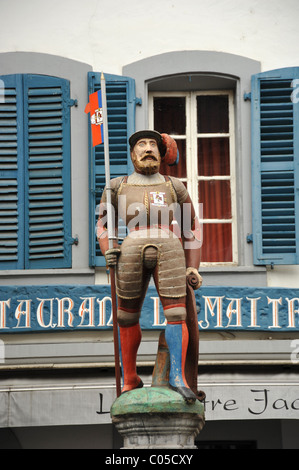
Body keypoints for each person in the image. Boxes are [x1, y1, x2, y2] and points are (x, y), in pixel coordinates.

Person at [97, 130, 202, 403]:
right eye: (141, 145)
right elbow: (102, 226)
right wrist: (109, 249)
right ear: (132, 154)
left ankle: (177, 376)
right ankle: (130, 377)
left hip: (169, 246)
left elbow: (192, 226)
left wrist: (192, 266)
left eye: (153, 144)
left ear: (161, 151)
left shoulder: (173, 185)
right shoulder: (116, 186)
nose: (147, 149)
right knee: (126, 316)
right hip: (130, 246)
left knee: (177, 313)